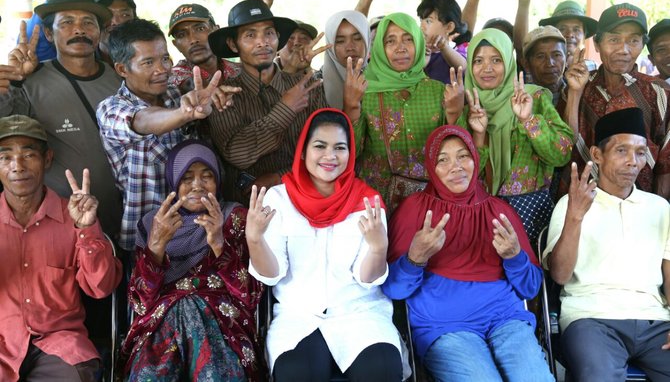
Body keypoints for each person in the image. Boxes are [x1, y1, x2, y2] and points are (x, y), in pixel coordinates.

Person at [383, 125, 553, 382]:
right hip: (445, 328)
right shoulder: (415, 210)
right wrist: (414, 259)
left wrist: (515, 258)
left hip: (507, 320)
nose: (456, 166)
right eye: (443, 159)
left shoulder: (498, 210)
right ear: (431, 167)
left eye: (463, 156)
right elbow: (394, 290)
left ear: (475, 158)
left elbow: (530, 288)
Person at [247, 108, 404, 382]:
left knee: (382, 371)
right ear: (303, 151)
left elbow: (367, 280)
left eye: (340, 148)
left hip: (361, 313)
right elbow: (272, 275)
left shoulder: (368, 202)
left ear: (350, 153)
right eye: (320, 146)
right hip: (299, 316)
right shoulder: (278, 200)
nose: (330, 156)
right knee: (298, 375)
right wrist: (255, 240)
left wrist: (378, 249)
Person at [119, 140, 265, 381]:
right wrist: (156, 246)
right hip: (161, 325)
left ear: (218, 181)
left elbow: (250, 296)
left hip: (222, 324)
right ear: (174, 182)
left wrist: (219, 243)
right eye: (186, 178)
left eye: (207, 176)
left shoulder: (234, 217)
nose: (197, 185)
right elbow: (140, 303)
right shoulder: (152, 223)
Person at [543, 107, 670, 381]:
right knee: (597, 376)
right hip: (591, 318)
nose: (633, 162)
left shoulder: (660, 208)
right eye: (621, 151)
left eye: (639, 152)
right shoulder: (571, 204)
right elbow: (560, 275)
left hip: (655, 321)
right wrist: (575, 218)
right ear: (597, 155)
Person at [0, 0, 123, 242]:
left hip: (124, 222)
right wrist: (10, 82)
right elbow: (6, 128)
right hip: (63, 232)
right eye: (67, 22)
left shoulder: (119, 80)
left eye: (88, 22)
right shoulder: (32, 83)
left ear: (99, 32)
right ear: (48, 33)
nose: (79, 30)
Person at [0, 114, 122, 381]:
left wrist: (87, 229)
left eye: (28, 154)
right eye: (5, 157)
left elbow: (101, 288)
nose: (17, 166)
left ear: (47, 159)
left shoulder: (73, 217)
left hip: (61, 346)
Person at [97, 18, 234, 252]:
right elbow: (144, 120)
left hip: (197, 232)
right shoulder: (111, 109)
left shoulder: (173, 91)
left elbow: (192, 94)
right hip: (147, 240)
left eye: (164, 59)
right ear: (122, 69)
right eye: (148, 62)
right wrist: (184, 113)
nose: (161, 69)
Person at [207, 0, 326, 204]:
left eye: (269, 33)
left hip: (305, 202)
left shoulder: (308, 86)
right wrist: (285, 109)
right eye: (250, 35)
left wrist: (281, 177)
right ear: (232, 44)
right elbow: (239, 154)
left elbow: (326, 149)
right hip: (248, 211)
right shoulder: (224, 95)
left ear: (278, 38)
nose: (263, 42)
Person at [459, 28, 573, 240]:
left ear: (509, 63)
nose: (487, 69)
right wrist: (480, 135)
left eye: (496, 60)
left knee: (527, 271)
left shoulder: (533, 98)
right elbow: (463, 176)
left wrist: (527, 120)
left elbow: (562, 154)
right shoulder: (469, 111)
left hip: (530, 211)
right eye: (478, 61)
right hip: (481, 214)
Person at [560, 3, 670, 199]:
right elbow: (563, 148)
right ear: (596, 43)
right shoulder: (577, 84)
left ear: (642, 45)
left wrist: (659, 209)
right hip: (580, 202)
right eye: (614, 39)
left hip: (639, 204)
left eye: (633, 40)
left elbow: (665, 164)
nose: (624, 50)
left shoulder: (660, 93)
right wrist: (575, 94)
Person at [346, 12, 451, 211]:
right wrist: (350, 105)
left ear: (419, 44)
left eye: (408, 39)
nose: (400, 48)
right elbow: (352, 152)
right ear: (379, 48)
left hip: (429, 203)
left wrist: (454, 115)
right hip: (376, 204)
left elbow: (456, 150)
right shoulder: (364, 90)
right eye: (390, 41)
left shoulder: (439, 91)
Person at [168, 3, 241, 94]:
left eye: (200, 29)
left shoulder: (239, 70)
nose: (193, 40)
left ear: (216, 31)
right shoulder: (171, 80)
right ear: (176, 45)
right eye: (181, 35)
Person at [323, 10, 370, 109]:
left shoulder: (384, 80)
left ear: (367, 40)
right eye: (340, 41)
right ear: (330, 45)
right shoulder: (316, 86)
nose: (350, 47)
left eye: (357, 38)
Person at [417, 0, 468, 83]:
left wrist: (444, 47)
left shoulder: (457, 52)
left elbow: (462, 66)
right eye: (421, 20)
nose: (422, 26)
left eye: (428, 21)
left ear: (449, 27)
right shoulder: (417, 51)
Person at [539, 0, 599, 70]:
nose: (570, 34)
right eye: (562, 29)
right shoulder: (543, 69)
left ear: (584, 36)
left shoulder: (594, 69)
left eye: (576, 30)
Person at [522, 26, 568, 106]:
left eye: (557, 55)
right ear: (527, 65)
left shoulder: (577, 94)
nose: (550, 64)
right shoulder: (521, 99)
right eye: (541, 56)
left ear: (566, 58)